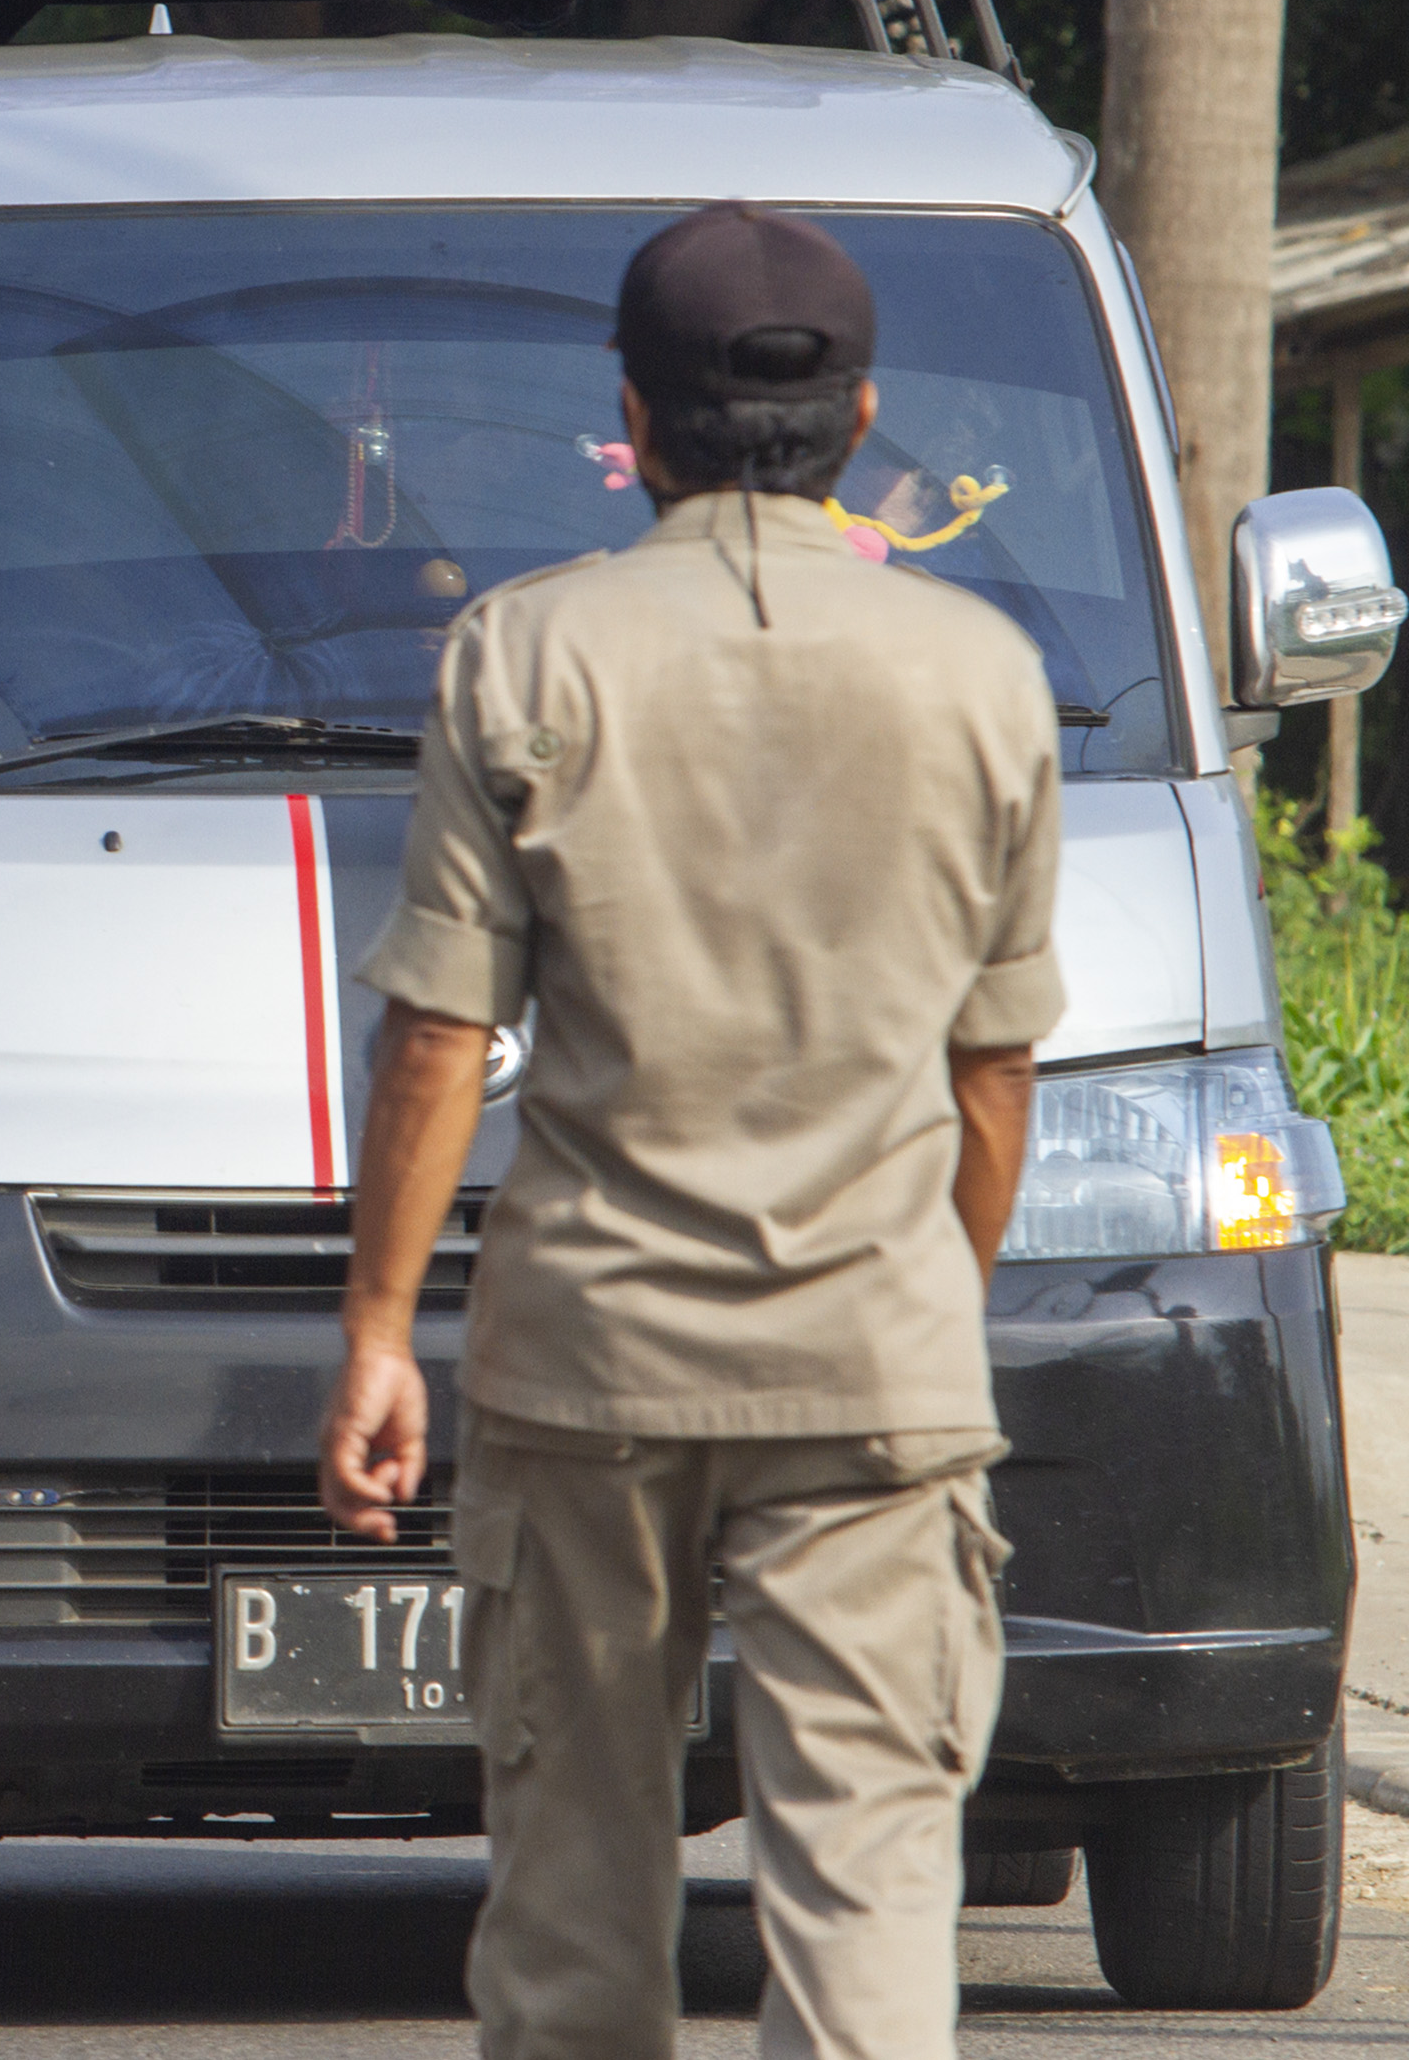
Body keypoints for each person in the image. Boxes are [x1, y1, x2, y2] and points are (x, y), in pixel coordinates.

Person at [318, 201, 1059, 2060]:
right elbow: (995, 1072)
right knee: (871, 1909)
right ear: (862, 414)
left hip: (593, 1362)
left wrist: (378, 1335)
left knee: (573, 1923)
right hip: (873, 1361)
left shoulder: (524, 654)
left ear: (633, 419)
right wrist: (927, 1301)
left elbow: (440, 1033)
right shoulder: (981, 671)